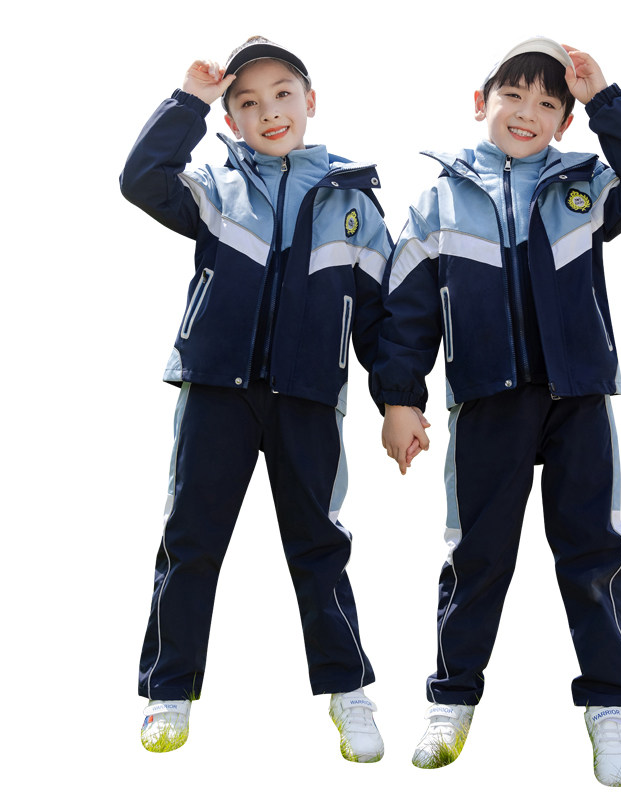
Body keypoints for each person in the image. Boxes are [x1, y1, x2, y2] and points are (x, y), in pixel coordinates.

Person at [373, 36, 621, 785]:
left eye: (548, 103)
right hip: (486, 403)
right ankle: (451, 700)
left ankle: (609, 707)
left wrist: (606, 99)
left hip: (577, 400)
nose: (528, 112)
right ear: (482, 102)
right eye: (513, 95)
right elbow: (406, 315)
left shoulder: (585, 187)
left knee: (593, 553)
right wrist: (400, 400)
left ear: (565, 123)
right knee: (475, 557)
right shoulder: (439, 202)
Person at [120, 35, 391, 762]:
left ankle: (348, 691)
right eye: (247, 102)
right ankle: (168, 691)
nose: (269, 111)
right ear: (230, 119)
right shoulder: (214, 189)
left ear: (311, 102)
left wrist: (397, 401)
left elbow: (381, 320)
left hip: (310, 396)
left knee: (321, 548)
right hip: (218, 389)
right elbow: (141, 178)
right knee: (191, 540)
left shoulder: (356, 203)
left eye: (282, 95)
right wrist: (189, 100)